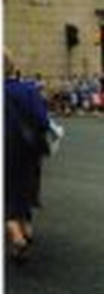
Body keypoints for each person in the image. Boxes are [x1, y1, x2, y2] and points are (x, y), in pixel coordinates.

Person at [4, 49, 50, 262]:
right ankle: (26, 230)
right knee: (24, 188)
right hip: (28, 150)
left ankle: (17, 237)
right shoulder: (29, 90)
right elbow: (43, 121)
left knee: (7, 194)